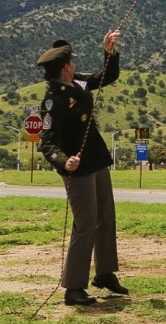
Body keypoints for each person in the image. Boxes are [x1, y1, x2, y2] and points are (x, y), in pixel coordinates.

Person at [36, 30, 127, 307]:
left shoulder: (78, 82)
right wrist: (65, 161)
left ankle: (104, 274)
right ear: (66, 66)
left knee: (106, 218)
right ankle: (73, 288)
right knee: (85, 224)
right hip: (77, 169)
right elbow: (47, 143)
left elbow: (106, 77)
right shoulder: (53, 102)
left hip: (96, 159)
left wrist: (109, 52)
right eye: (72, 61)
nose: (75, 63)